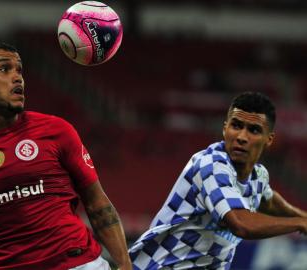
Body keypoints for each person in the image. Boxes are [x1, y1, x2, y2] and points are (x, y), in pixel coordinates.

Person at [0, 42, 132, 270]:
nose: (17, 78)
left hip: (76, 264)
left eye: (19, 70)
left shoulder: (56, 130)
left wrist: (124, 263)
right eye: (4, 69)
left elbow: (97, 203)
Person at [129, 92, 307, 269]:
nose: (242, 137)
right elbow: (241, 224)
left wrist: (303, 217)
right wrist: (299, 223)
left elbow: (268, 201)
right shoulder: (211, 165)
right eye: (236, 126)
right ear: (225, 128)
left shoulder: (259, 175)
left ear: (269, 139)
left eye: (253, 130)